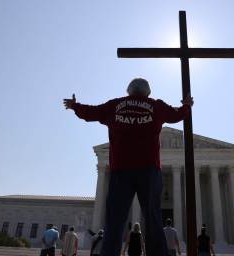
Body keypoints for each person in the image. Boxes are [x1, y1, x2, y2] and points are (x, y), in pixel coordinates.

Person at [63, 78, 193, 256]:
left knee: (115, 221)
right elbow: (177, 115)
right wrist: (186, 105)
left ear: (128, 91)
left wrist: (75, 106)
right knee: (153, 219)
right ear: (148, 92)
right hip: (149, 170)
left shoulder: (115, 106)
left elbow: (92, 112)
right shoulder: (156, 106)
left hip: (121, 170)